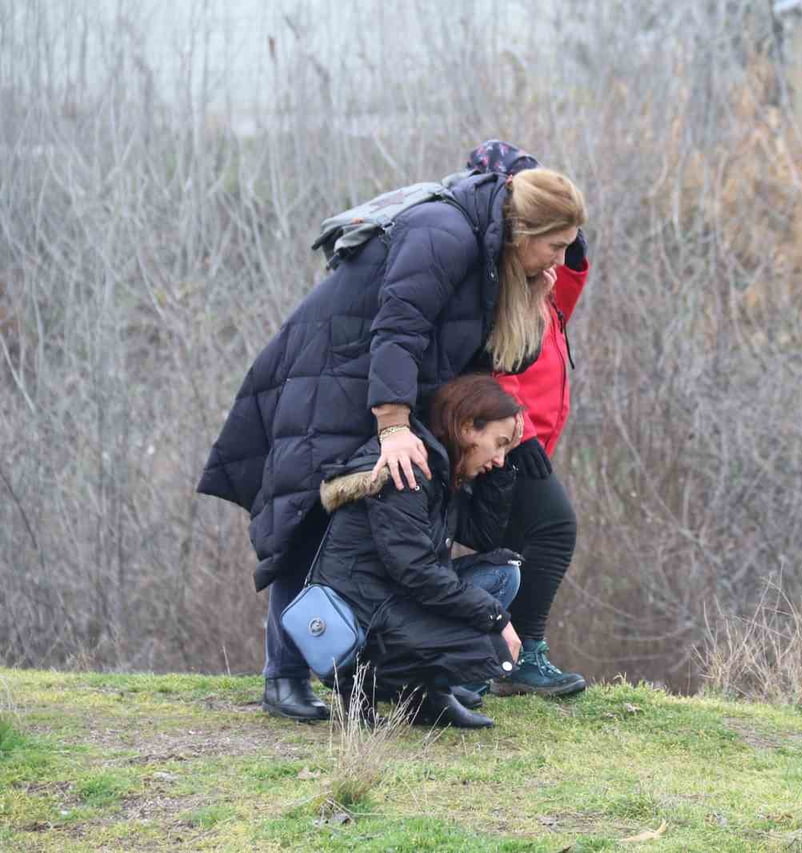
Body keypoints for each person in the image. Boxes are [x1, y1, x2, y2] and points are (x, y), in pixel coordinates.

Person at [197, 166, 587, 721]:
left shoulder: (491, 258)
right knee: (310, 523)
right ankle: (284, 678)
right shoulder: (445, 234)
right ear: (524, 229)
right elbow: (397, 329)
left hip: (378, 387)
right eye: (555, 246)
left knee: (407, 530)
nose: (559, 259)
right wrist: (394, 425)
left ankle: (413, 688)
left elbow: (495, 360)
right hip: (330, 382)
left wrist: (530, 298)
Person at [311, 374, 526, 728]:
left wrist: (502, 472)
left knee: (501, 573)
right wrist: (495, 618)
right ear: (469, 428)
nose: (500, 458)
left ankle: (428, 695)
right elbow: (416, 572)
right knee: (485, 639)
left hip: (394, 597)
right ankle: (366, 683)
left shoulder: (441, 467)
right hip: (364, 619)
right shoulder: (407, 471)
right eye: (499, 444)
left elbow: (484, 536)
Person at [461, 141, 590, 697]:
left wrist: (572, 245)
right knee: (553, 528)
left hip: (527, 433)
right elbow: (493, 360)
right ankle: (525, 655)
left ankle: (491, 658)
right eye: (555, 243)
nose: (562, 259)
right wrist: (521, 432)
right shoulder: (497, 274)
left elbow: (563, 296)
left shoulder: (538, 277)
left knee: (510, 545)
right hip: (508, 435)